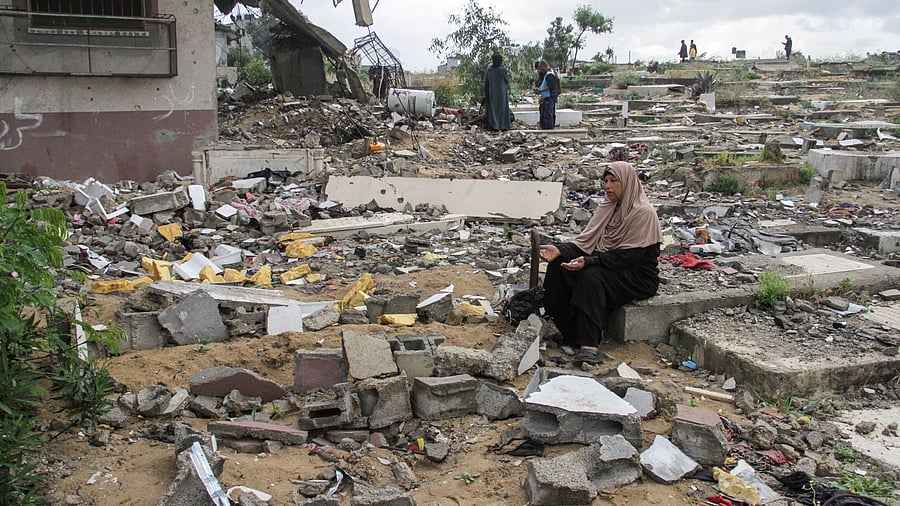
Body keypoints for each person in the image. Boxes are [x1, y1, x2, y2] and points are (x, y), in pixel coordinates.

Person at [539, 162, 663, 366]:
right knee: (559, 266)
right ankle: (570, 333)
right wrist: (561, 250)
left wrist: (589, 262)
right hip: (608, 265)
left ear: (628, 183)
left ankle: (589, 345)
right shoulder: (608, 207)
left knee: (592, 276)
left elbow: (628, 257)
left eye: (614, 181)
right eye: (605, 181)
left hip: (636, 276)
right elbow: (587, 242)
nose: (607, 186)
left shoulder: (643, 213)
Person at [483, 52, 511, 131]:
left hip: (493, 93)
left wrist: (486, 94)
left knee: (494, 109)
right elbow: (507, 81)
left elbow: (486, 83)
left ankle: (495, 126)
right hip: (500, 93)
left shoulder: (490, 70)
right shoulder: (502, 70)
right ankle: (502, 126)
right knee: (501, 109)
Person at [534, 60, 560, 130]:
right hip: (547, 97)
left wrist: (541, 91)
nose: (540, 70)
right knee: (547, 114)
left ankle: (548, 130)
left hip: (549, 97)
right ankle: (547, 128)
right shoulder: (548, 73)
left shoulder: (549, 74)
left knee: (547, 115)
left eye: (540, 68)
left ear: (543, 66)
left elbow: (551, 86)